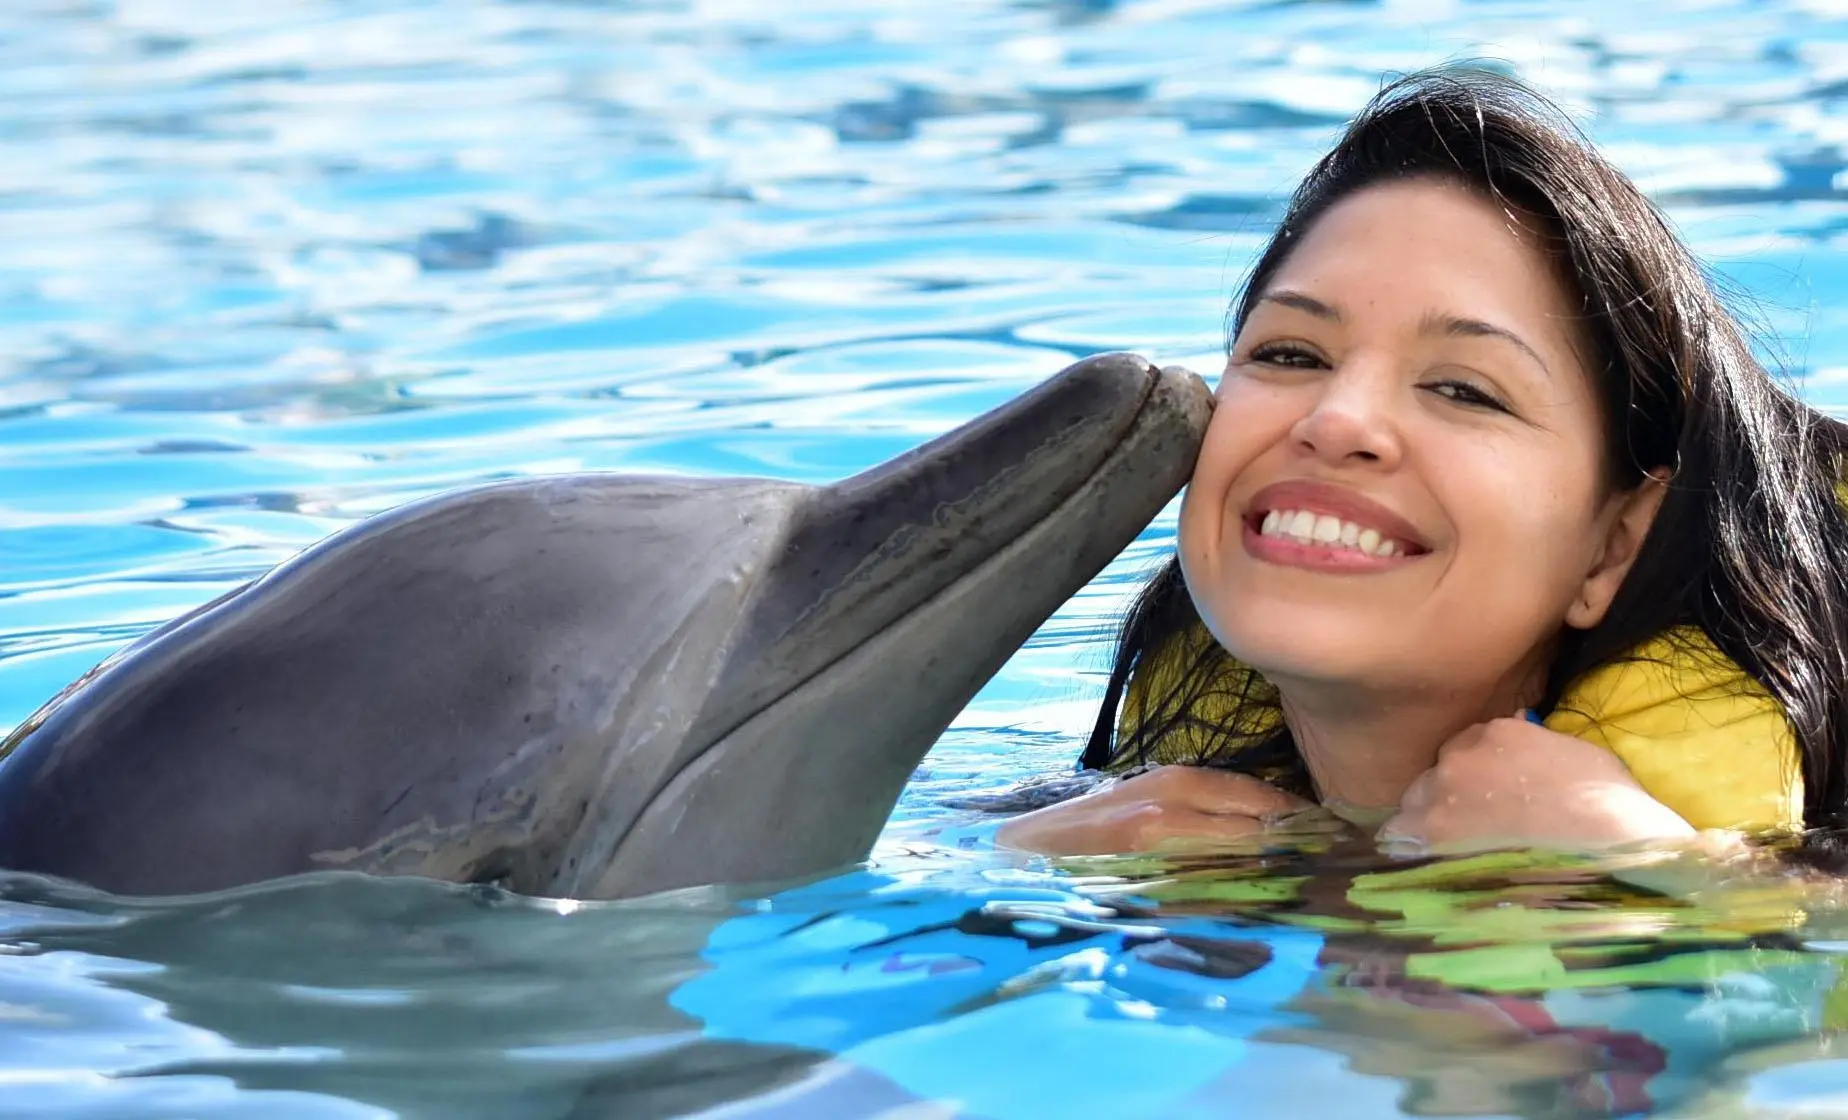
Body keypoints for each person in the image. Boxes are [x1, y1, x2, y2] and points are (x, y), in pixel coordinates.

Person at [1000, 67, 1848, 858]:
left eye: (1465, 389)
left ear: (1614, 544)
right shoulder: (1112, 817)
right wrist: (1012, 860)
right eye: (1291, 354)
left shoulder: (1711, 879)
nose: (1338, 421)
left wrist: (1672, 867)